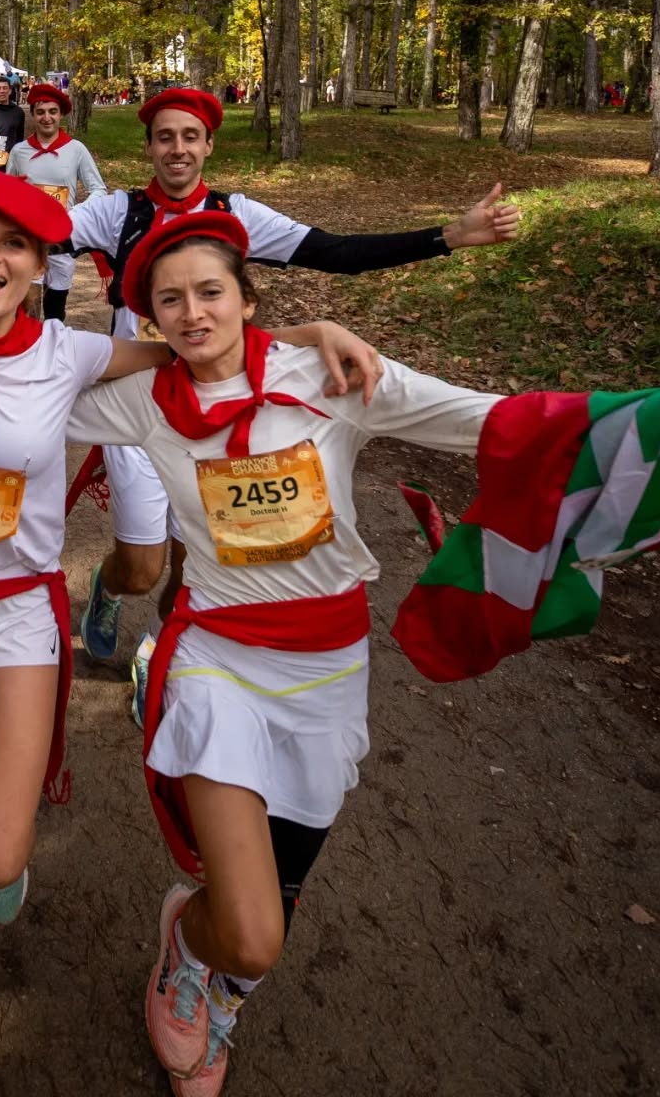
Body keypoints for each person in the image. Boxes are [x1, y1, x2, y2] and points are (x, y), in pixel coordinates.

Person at [65, 210, 660, 1097]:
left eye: (211, 292)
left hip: (325, 673)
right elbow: (17, 379)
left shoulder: (332, 377)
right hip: (219, 662)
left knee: (279, 891)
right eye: (170, 301)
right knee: (257, 936)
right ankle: (202, 960)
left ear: (248, 299)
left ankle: (210, 970)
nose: (194, 313)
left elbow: (499, 423)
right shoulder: (140, 403)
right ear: (150, 318)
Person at [0, 168, 379, 985]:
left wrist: (311, 332)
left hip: (15, 611)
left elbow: (197, 345)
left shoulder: (70, 350)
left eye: (14, 245)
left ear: (38, 267)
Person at [66, 86, 521, 671]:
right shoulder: (116, 212)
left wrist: (448, 238)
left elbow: (338, 253)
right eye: (164, 137)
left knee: (196, 558)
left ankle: (164, 648)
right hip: (144, 401)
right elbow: (38, 234)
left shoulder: (238, 214)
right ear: (150, 146)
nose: (176, 149)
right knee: (143, 566)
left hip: (220, 404)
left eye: (189, 137)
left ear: (208, 145)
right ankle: (111, 588)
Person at [4, 81, 106, 322]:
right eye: (40, 112)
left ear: (61, 114)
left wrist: (75, 214)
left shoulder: (76, 150)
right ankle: (27, 354)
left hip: (61, 240)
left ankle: (53, 353)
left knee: (55, 310)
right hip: (28, 239)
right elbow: (8, 191)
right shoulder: (19, 151)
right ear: (33, 115)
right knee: (27, 310)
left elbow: (99, 189)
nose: (47, 118)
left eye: (52, 112)